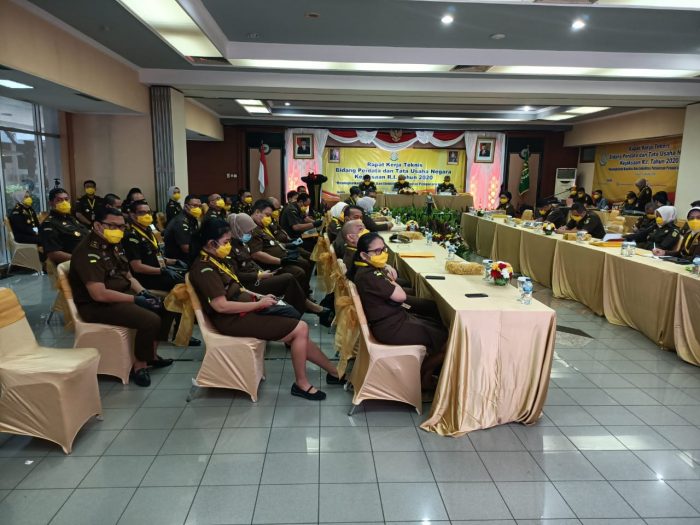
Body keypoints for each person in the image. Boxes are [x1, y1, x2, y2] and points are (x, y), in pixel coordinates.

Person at [189, 218, 342, 400]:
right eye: (226, 242)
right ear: (211, 243)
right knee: (300, 328)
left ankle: (334, 373)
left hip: (243, 311)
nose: (229, 245)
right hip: (231, 320)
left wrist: (260, 297)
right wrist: (258, 304)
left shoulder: (217, 260)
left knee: (297, 329)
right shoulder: (204, 269)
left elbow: (238, 287)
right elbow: (220, 306)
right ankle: (302, 384)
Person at [68, 207, 173, 387]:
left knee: (165, 306)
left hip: (120, 296)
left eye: (122, 227)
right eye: (113, 226)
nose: (119, 230)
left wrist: (143, 292)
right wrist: (135, 300)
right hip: (96, 306)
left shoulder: (113, 245)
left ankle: (152, 356)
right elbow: (99, 294)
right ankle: (140, 366)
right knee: (149, 319)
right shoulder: (88, 252)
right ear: (98, 226)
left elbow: (128, 276)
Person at [347, 233, 446, 390]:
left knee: (436, 326)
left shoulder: (366, 268)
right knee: (446, 339)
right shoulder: (369, 276)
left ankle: (426, 376)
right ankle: (421, 375)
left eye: (384, 249)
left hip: (392, 320)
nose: (383, 253)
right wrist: (392, 281)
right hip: (390, 328)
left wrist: (385, 267)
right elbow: (401, 296)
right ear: (364, 255)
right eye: (377, 251)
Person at [228, 213, 329, 323]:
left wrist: (262, 272)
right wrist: (258, 275)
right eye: (248, 231)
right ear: (237, 230)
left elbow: (250, 262)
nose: (251, 234)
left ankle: (297, 312)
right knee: (289, 278)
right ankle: (302, 311)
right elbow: (236, 275)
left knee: (293, 276)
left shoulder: (241, 243)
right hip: (250, 283)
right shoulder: (229, 248)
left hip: (259, 275)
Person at [247, 200, 313, 290]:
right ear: (257, 212)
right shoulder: (252, 229)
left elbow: (274, 242)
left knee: (304, 262)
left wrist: (288, 245)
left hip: (282, 255)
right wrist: (280, 261)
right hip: (271, 264)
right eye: (267, 215)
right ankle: (300, 295)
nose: (269, 218)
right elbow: (256, 254)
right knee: (299, 272)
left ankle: (304, 292)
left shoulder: (262, 226)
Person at [124, 200, 184, 291]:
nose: (147, 215)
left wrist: (175, 261)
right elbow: (137, 267)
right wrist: (162, 271)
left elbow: (155, 256)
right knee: (184, 283)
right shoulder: (132, 236)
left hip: (159, 270)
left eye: (149, 212)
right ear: (132, 215)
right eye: (142, 213)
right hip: (147, 278)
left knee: (188, 273)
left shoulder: (149, 230)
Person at [39, 187, 89, 264]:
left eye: (66, 199)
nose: (64, 202)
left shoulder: (70, 218)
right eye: (59, 200)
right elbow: (53, 254)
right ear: (51, 203)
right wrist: (81, 260)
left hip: (88, 254)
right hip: (75, 262)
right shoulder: (49, 224)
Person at [164, 194, 202, 261]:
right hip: (178, 260)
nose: (198, 208)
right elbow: (186, 249)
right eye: (195, 205)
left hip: (189, 256)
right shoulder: (180, 221)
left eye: (199, 206)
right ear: (186, 206)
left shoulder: (193, 219)